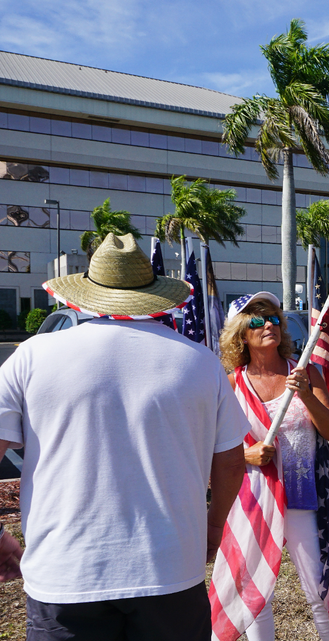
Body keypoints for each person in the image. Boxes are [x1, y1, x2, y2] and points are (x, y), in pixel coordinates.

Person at [0, 233, 247, 640]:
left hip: (64, 572)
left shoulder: (32, 355)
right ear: (154, 294)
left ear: (86, 294)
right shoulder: (200, 362)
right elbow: (232, 460)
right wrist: (214, 526)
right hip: (170, 567)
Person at [211, 292, 329, 641]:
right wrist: (248, 455)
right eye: (256, 320)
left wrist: (306, 394)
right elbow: (213, 445)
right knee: (253, 592)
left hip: (303, 496)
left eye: (272, 318)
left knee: (319, 587)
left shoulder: (303, 371)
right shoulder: (232, 382)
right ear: (241, 333)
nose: (268, 324)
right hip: (252, 499)